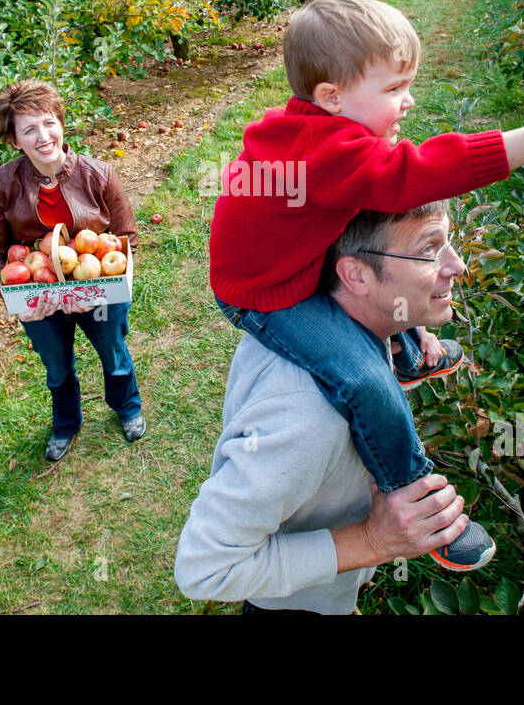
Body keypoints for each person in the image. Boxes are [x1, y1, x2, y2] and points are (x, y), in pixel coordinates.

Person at [207, 0, 524, 571]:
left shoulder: (312, 127)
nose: (409, 99)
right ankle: (418, 501)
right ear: (332, 97)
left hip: (280, 257)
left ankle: (406, 349)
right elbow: (418, 175)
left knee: (380, 283)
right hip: (266, 295)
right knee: (364, 381)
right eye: (394, 89)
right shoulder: (327, 153)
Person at [176, 201, 476, 614]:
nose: (456, 265)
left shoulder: (344, 315)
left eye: (448, 242)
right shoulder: (305, 421)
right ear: (355, 275)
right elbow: (204, 567)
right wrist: (371, 543)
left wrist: (403, 329)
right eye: (429, 249)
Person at [0, 79, 145, 462]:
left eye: (49, 122)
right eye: (29, 129)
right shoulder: (2, 184)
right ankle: (66, 423)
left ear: (60, 122)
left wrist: (116, 286)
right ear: (14, 140)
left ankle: (127, 407)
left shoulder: (99, 174)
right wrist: (16, 302)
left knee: (114, 352)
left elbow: (126, 238)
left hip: (97, 282)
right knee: (56, 366)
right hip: (37, 291)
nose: (43, 136)